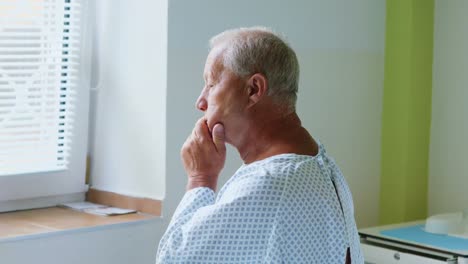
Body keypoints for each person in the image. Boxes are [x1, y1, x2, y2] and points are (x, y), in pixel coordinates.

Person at [156, 27, 363, 264]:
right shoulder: (321, 166)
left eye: (211, 84)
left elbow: (172, 260)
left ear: (253, 89)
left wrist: (201, 178)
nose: (200, 102)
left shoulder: (269, 184)